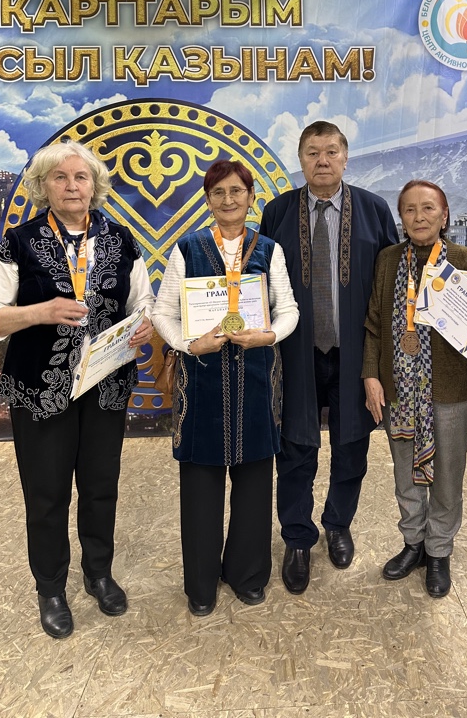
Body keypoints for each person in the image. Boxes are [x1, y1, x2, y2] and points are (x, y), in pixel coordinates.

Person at [0, 141, 154, 639]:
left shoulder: (121, 239)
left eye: (81, 177)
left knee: (100, 487)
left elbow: (144, 301)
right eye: (60, 177)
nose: (72, 186)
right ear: (43, 187)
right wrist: (40, 312)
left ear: (94, 186)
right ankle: (50, 587)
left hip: (106, 386)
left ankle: (98, 573)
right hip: (40, 390)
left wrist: (144, 325)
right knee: (46, 493)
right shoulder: (19, 241)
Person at [152, 160, 298, 616]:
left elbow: (289, 310)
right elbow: (162, 313)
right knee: (200, 489)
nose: (229, 200)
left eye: (237, 191)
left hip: (255, 382)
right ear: (208, 200)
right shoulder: (187, 248)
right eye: (219, 193)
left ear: (251, 197)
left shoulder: (269, 250)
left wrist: (268, 336)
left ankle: (247, 575)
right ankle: (201, 585)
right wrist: (187, 344)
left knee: (254, 485)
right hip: (201, 385)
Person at [259, 121, 398, 594]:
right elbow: (261, 283)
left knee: (352, 444)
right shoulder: (277, 212)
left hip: (355, 352)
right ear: (300, 159)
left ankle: (338, 524)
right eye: (313, 152)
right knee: (295, 446)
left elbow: (390, 286)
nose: (322, 160)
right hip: (294, 350)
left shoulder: (374, 210)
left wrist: (380, 362)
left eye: (331, 151)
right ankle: (297, 537)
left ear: (345, 157)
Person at [363, 180, 467, 597]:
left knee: (447, 476)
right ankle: (413, 543)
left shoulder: (463, 259)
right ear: (401, 218)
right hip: (399, 390)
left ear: (444, 216)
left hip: (452, 391)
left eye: (428, 209)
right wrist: (371, 376)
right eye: (409, 209)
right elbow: (373, 325)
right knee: (405, 474)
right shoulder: (388, 260)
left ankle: (438, 550)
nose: (419, 217)